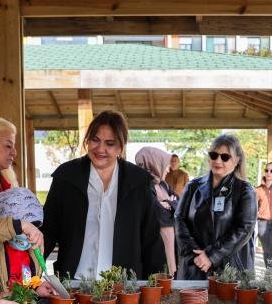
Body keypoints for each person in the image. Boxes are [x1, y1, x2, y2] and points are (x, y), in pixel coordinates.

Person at [42, 110, 165, 278]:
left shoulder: (139, 182)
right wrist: (26, 271)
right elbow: (48, 230)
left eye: (110, 143)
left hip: (125, 285)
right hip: (74, 282)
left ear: (121, 147)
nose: (100, 149)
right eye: (95, 140)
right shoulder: (66, 177)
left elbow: (151, 238)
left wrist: (158, 281)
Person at [175, 134, 257, 279]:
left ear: (237, 160)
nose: (218, 160)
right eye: (214, 155)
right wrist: (196, 255)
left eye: (225, 157)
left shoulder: (245, 190)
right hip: (195, 267)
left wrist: (211, 255)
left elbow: (244, 229)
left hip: (231, 270)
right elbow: (179, 219)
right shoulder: (193, 186)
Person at [135, 146, 179, 277]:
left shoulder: (162, 184)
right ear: (154, 163)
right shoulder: (143, 185)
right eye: (165, 165)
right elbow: (159, 215)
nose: (168, 169)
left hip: (170, 240)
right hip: (155, 244)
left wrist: (168, 203)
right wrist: (170, 205)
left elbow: (181, 204)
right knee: (158, 278)